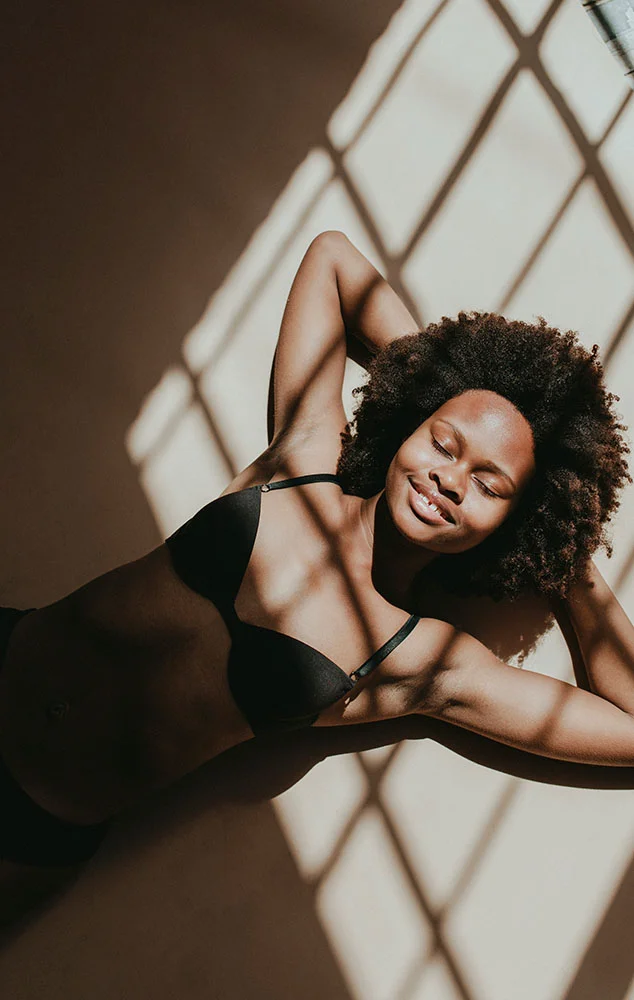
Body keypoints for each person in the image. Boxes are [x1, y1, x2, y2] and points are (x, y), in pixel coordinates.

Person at [2, 230, 634, 871]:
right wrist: (436, 378)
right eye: (442, 442)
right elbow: (334, 260)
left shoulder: (423, 657)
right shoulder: (303, 456)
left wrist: (566, 557)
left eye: (490, 484)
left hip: (34, 831)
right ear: (408, 423)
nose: (450, 478)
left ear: (515, 525)